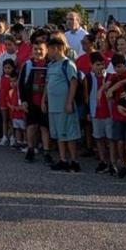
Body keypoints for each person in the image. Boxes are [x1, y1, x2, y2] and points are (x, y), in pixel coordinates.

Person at [44, 37, 81, 172]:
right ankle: (62, 159)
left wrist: (69, 102)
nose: (47, 52)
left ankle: (74, 160)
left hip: (64, 105)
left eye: (49, 49)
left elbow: (73, 83)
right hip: (53, 106)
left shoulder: (68, 64)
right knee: (59, 133)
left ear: (56, 49)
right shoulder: (51, 65)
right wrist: (44, 100)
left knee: (69, 133)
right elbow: (47, 84)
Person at [18, 41, 50, 164]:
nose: (37, 52)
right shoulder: (28, 64)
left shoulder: (49, 65)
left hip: (45, 101)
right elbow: (21, 84)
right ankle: (31, 149)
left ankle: (46, 152)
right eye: (35, 49)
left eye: (40, 49)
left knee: (44, 127)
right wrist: (23, 100)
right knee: (31, 126)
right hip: (31, 101)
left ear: (46, 50)